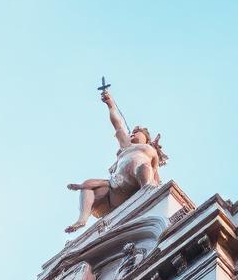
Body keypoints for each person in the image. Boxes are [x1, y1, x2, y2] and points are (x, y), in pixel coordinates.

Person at [65, 88, 166, 233]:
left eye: (136, 132)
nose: (132, 134)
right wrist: (110, 104)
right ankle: (82, 220)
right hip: (115, 187)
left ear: (146, 138)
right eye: (131, 133)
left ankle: (147, 193)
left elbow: (155, 172)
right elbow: (118, 124)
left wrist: (156, 184)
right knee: (88, 187)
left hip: (136, 180)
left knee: (144, 167)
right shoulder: (126, 146)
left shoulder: (150, 150)